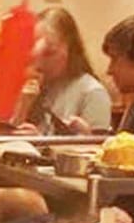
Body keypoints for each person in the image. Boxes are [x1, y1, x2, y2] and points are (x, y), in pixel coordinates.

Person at [14, 7, 111, 135]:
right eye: (35, 53)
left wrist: (40, 141)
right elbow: (9, 138)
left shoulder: (92, 93)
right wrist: (23, 106)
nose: (40, 62)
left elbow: (97, 145)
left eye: (49, 53)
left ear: (71, 49)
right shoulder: (37, 89)